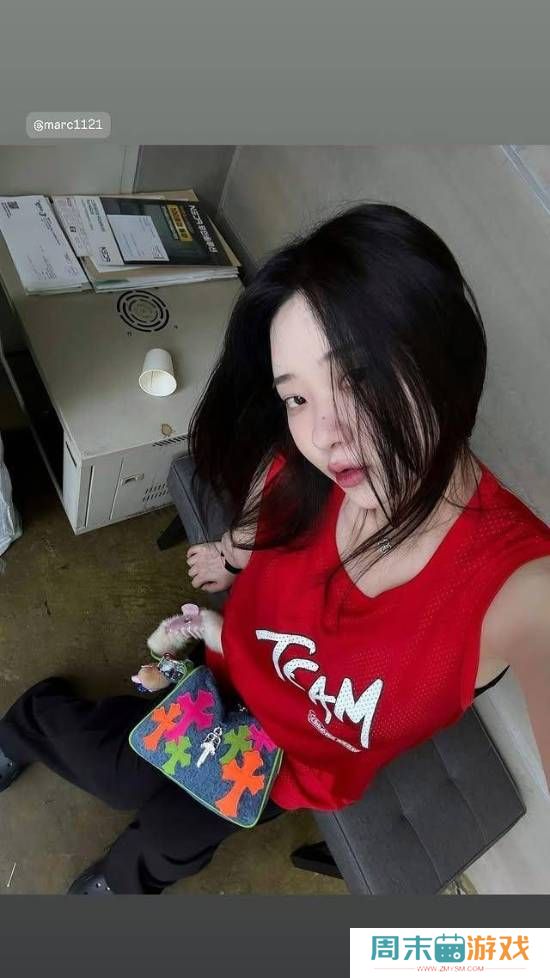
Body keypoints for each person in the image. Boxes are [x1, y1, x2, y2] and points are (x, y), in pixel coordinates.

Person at [1, 202, 549, 894]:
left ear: (442, 352)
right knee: (115, 771)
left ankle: (121, 884)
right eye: (296, 398)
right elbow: (258, 524)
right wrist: (229, 556)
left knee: (175, 839)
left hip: (287, 770)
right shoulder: (296, 472)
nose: (324, 434)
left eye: (356, 375)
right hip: (220, 680)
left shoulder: (515, 586)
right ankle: (28, 724)